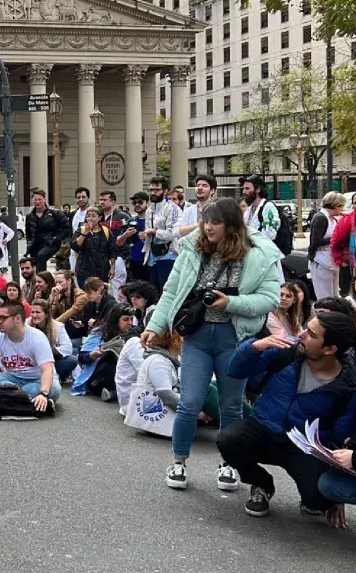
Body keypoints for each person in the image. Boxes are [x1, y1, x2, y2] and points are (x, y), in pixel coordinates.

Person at [142, 197, 282, 491]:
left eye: (215, 222)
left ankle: (229, 465)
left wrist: (231, 302)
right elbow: (172, 291)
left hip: (233, 338)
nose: (207, 227)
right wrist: (155, 326)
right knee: (189, 403)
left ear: (232, 225)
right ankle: (178, 461)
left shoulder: (259, 253)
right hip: (196, 336)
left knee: (231, 405)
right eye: (206, 221)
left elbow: (271, 299)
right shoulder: (193, 248)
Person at [218, 312, 356, 520]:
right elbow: (234, 370)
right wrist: (255, 347)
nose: (301, 334)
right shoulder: (286, 349)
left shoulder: (349, 383)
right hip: (264, 427)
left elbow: (343, 433)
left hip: (303, 445)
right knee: (228, 440)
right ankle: (261, 484)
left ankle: (316, 498)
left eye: (311, 334)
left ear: (330, 349)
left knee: (319, 501)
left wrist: (336, 495)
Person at [0, 300, 58, 412]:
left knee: (53, 389)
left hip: (37, 379)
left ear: (17, 319)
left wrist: (43, 393)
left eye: (3, 318)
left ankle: (13, 399)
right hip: (13, 379)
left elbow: (47, 369)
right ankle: (25, 402)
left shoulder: (37, 337)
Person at [241, 173, 285, 281]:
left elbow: (270, 233)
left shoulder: (268, 207)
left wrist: (250, 240)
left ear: (258, 190)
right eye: (243, 189)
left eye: (247, 188)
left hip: (267, 258)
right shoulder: (248, 210)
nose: (244, 192)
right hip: (253, 258)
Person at [142, 176, 183, 291]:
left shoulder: (173, 209)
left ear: (165, 191)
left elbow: (173, 233)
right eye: (151, 190)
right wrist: (145, 236)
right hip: (151, 256)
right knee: (154, 293)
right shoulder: (149, 209)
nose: (153, 193)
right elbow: (147, 231)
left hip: (169, 255)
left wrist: (154, 231)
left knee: (166, 292)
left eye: (157, 190)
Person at [308, 191, 346, 300]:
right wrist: (336, 238)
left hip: (331, 261)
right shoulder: (320, 218)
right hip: (321, 262)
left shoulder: (332, 219)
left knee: (335, 296)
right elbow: (315, 242)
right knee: (325, 297)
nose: (342, 209)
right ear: (335, 205)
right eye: (341, 206)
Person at [29, 299, 76, 383]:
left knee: (72, 360)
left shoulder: (58, 326)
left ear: (46, 314)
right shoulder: (26, 324)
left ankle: (53, 376)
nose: (34, 315)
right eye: (32, 312)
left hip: (51, 360)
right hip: (31, 362)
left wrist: (49, 350)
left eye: (38, 312)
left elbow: (68, 348)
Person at [26, 189, 72, 271]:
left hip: (51, 243)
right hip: (35, 244)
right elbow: (28, 233)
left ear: (44, 200)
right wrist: (29, 245)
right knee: (35, 265)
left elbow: (66, 228)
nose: (37, 202)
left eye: (40, 199)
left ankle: (42, 279)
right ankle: (39, 281)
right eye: (35, 200)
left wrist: (57, 238)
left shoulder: (55, 213)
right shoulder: (29, 216)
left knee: (41, 256)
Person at [71, 206, 116, 286]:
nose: (90, 218)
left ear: (99, 218)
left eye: (93, 216)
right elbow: (75, 246)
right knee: (85, 295)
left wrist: (112, 267)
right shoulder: (81, 230)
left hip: (102, 270)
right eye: (88, 216)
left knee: (101, 294)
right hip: (84, 270)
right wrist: (85, 233)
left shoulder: (106, 231)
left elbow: (112, 251)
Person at [69, 187, 90, 272]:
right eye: (78, 197)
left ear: (88, 198)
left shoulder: (93, 213)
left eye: (83, 197)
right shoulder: (73, 214)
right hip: (74, 249)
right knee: (74, 274)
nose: (81, 199)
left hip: (88, 249)